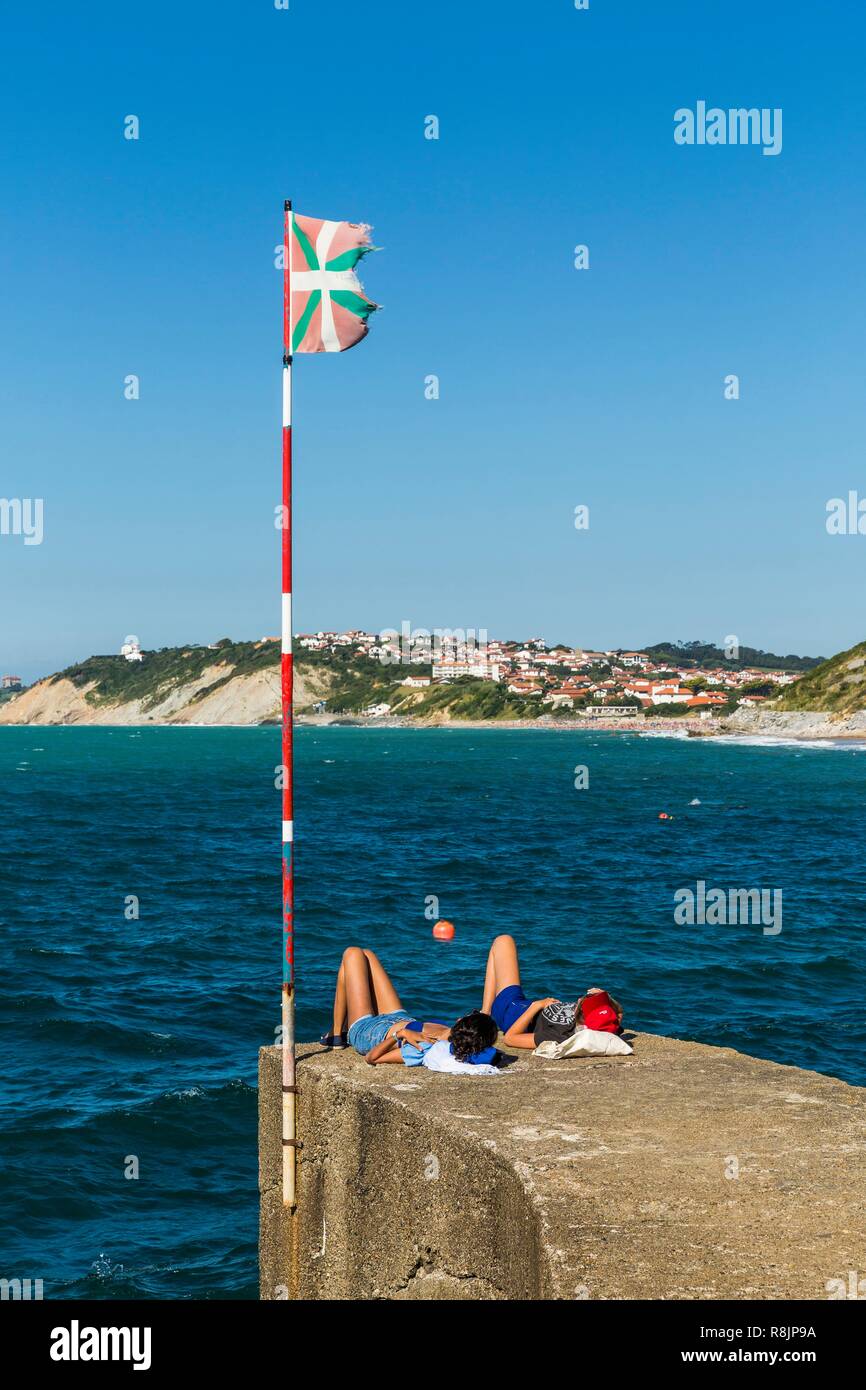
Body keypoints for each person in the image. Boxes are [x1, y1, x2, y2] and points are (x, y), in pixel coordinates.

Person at [324, 946, 499, 1067]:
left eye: (472, 1014)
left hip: (370, 1033)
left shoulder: (427, 1048)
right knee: (367, 955)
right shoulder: (450, 1035)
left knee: (352, 954)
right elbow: (488, 1051)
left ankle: (338, 1033)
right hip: (399, 1017)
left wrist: (399, 1035)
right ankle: (337, 1032)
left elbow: (372, 1058)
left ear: (463, 1022)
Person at [481, 934, 623, 1050]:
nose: (582, 998)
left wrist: (537, 1005)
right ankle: (485, 1014)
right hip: (524, 1006)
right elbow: (618, 1014)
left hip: (511, 1012)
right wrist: (605, 997)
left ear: (582, 1020)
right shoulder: (604, 1024)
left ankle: (485, 1013)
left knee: (503, 941)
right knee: (503, 943)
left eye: (585, 1003)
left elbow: (510, 1038)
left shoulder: (559, 1036)